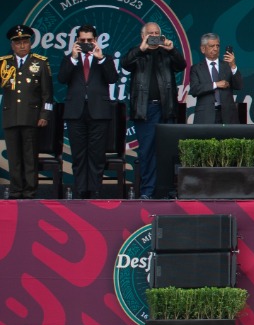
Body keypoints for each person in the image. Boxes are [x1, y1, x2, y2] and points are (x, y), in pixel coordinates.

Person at [118, 21, 185, 199]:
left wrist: (172, 50)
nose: (154, 36)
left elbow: (182, 65)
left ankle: (167, 190)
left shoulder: (166, 52)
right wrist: (142, 48)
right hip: (145, 109)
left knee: (168, 151)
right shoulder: (138, 53)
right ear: (143, 36)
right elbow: (125, 64)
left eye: (157, 33)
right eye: (151, 33)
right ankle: (148, 191)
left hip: (166, 108)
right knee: (147, 151)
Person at [57, 24, 117, 198]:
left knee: (97, 154)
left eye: (89, 40)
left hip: (98, 112)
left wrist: (101, 58)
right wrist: (74, 58)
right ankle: (81, 191)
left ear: (96, 40)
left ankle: (95, 190)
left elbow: (113, 78)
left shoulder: (105, 58)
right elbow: (62, 78)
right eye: (82, 40)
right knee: (78, 154)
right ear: (76, 41)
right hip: (75, 112)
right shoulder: (69, 59)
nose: (86, 43)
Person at [2, 25, 52, 199]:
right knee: (14, 158)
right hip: (10, 116)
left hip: (31, 117)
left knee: (30, 157)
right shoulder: (4, 63)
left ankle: (30, 191)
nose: (22, 46)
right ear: (12, 45)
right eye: (18, 43)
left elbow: (48, 95)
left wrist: (44, 115)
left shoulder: (40, 63)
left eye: (25, 42)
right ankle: (16, 190)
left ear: (30, 43)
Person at [188, 34, 239, 124]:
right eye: (212, 46)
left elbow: (239, 85)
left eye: (217, 46)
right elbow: (194, 90)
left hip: (227, 114)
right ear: (203, 49)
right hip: (205, 114)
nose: (215, 49)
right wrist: (215, 84)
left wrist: (233, 66)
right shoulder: (196, 68)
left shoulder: (227, 66)